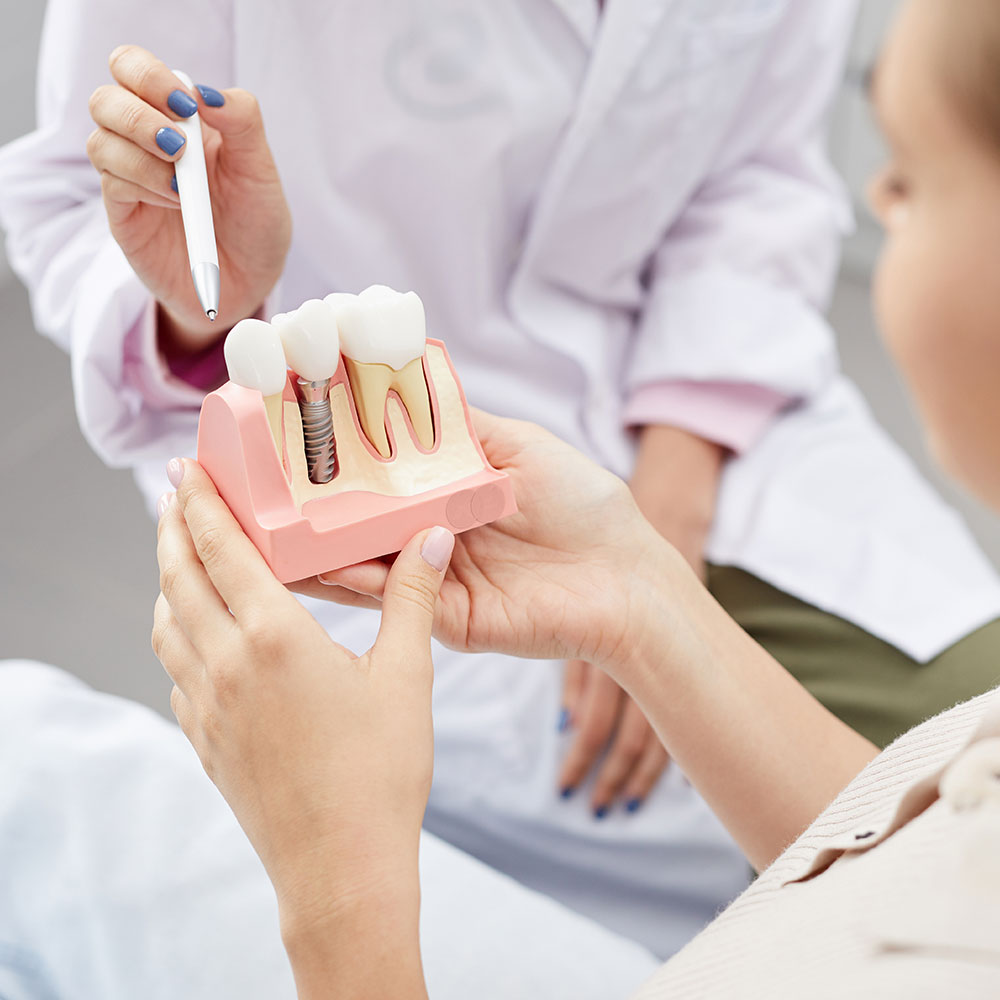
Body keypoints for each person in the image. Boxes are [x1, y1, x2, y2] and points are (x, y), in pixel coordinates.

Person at [2, 0, 999, 960]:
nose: (881, 196)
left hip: (717, 428)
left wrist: (669, 498)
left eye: (908, 179)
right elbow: (72, 201)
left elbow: (758, 175)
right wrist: (208, 299)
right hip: (359, 481)